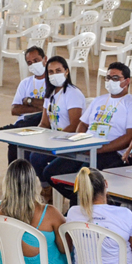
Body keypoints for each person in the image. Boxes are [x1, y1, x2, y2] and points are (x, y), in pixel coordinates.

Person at [73, 62, 132, 181]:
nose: (111, 81)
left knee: (83, 178)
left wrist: (99, 149)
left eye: (115, 78)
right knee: (54, 170)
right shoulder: (99, 100)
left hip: (112, 152)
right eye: (108, 78)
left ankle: (82, 199)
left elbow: (130, 136)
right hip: (87, 148)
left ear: (127, 81)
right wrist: (81, 141)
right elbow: (83, 124)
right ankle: (76, 198)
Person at [28, 56, 87, 188]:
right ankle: (45, 187)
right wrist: (34, 136)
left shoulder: (73, 94)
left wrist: (54, 139)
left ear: (66, 71)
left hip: (67, 142)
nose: (55, 75)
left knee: (37, 158)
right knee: (27, 154)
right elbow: (44, 123)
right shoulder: (50, 94)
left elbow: (74, 125)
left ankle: (47, 188)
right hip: (53, 141)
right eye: (51, 72)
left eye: (58, 70)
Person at [2, 46, 49, 164]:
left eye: (36, 60)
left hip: (43, 124)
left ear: (45, 59)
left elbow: (50, 106)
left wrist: (29, 101)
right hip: (23, 125)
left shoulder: (52, 81)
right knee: (14, 143)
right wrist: (39, 105)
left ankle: (7, 130)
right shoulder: (25, 83)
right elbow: (15, 109)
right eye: (30, 63)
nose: (33, 64)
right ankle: (13, 175)